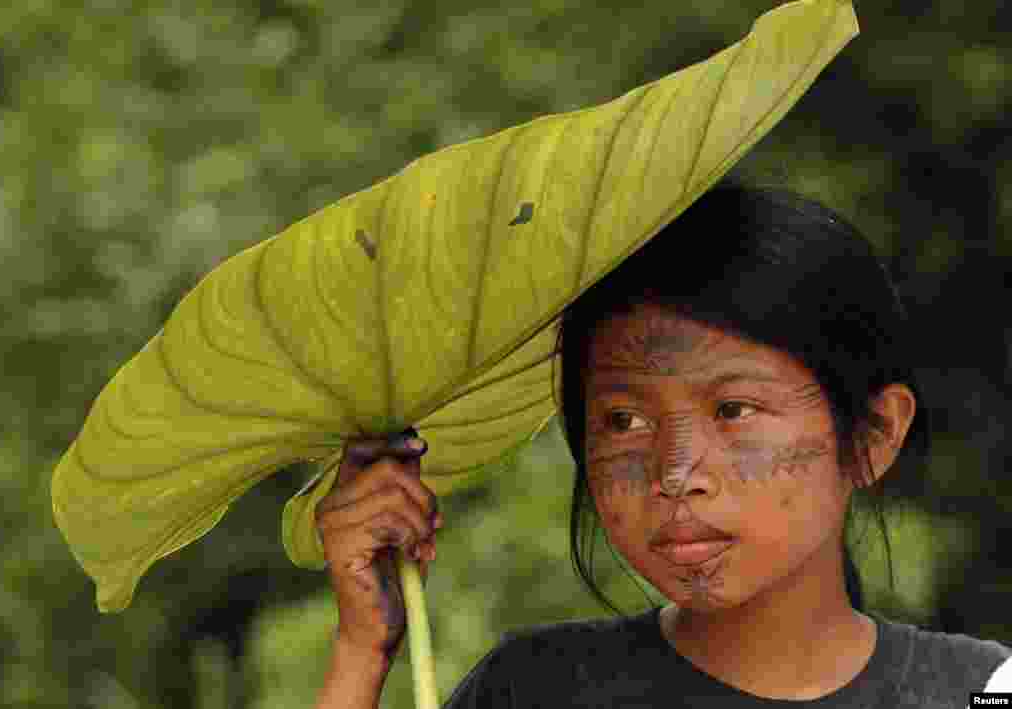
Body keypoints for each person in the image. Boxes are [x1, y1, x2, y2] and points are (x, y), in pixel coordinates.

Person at [312, 172, 1011, 708]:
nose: (675, 471)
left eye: (733, 409)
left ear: (874, 434)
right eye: (624, 421)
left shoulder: (983, 687)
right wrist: (360, 652)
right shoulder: (534, 691)